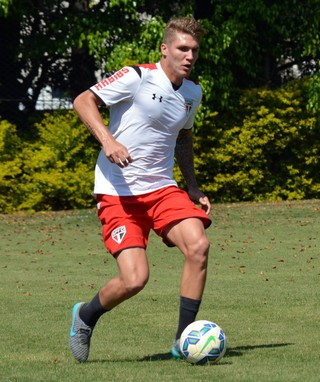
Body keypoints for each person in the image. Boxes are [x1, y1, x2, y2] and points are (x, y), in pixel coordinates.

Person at [69, 16, 212, 363]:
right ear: (165, 49)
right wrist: (108, 141)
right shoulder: (136, 76)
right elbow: (82, 101)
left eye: (193, 49)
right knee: (135, 279)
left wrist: (191, 185)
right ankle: (85, 316)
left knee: (199, 246)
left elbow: (184, 137)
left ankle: (183, 342)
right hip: (118, 192)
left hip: (162, 189)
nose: (188, 55)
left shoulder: (193, 92)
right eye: (181, 48)